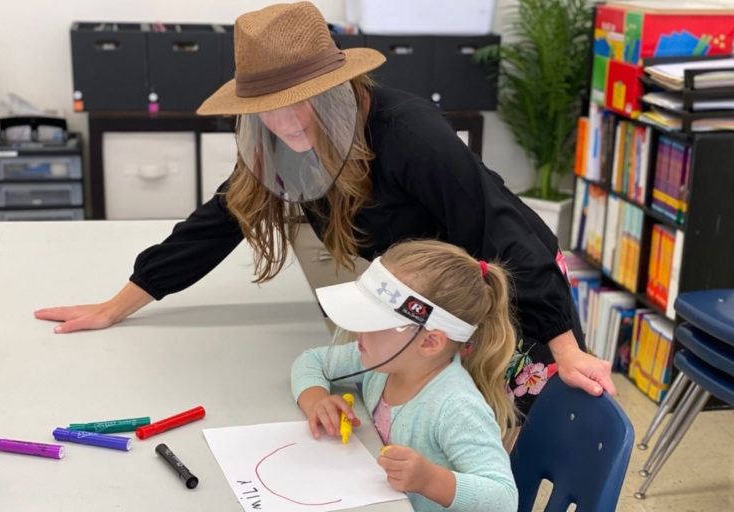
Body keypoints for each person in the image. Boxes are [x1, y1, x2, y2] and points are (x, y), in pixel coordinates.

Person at [34, 2, 615, 422]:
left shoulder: (408, 132)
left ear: (339, 85)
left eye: (301, 103)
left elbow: (499, 227)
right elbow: (216, 222)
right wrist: (119, 305)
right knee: (430, 432)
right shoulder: (277, 147)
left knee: (502, 436)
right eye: (268, 110)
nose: (286, 123)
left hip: (514, 286)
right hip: (423, 304)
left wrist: (563, 348)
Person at [292, 240, 518, 512]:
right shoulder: (388, 360)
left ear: (430, 343)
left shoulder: (456, 406)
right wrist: (317, 401)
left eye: (374, 323)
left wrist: (430, 479)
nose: (358, 331)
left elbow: (504, 498)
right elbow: (311, 361)